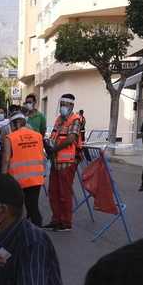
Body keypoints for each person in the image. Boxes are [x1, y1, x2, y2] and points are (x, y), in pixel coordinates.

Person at [45, 93, 84, 231]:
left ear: (72, 106)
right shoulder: (59, 119)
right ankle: (56, 220)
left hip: (67, 162)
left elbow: (70, 138)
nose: (62, 107)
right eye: (61, 105)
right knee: (53, 192)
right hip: (56, 161)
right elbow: (54, 136)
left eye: (65, 105)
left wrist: (54, 149)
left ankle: (66, 222)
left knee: (64, 193)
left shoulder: (75, 119)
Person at [1, 108, 47, 225]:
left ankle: (19, 233)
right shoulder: (37, 136)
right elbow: (41, 155)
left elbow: (6, 160)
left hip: (17, 179)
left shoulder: (10, 138)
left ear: (12, 124)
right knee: (33, 207)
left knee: (16, 208)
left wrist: (2, 177)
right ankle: (38, 235)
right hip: (36, 177)